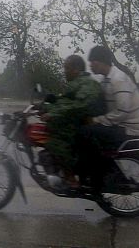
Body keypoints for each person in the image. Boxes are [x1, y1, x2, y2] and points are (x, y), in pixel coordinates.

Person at [76, 45, 139, 186]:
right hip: (122, 124)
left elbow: (122, 111)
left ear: (102, 62)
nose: (90, 65)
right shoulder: (106, 79)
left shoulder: (118, 79)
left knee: (84, 133)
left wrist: (96, 120)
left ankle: (95, 181)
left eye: (93, 62)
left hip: (130, 128)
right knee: (87, 130)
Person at [42, 54, 103, 187]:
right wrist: (43, 107)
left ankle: (70, 177)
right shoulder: (76, 83)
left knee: (54, 142)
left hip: (79, 126)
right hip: (74, 123)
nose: (64, 71)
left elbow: (81, 105)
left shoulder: (87, 83)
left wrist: (53, 114)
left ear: (76, 69)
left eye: (67, 68)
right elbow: (64, 101)